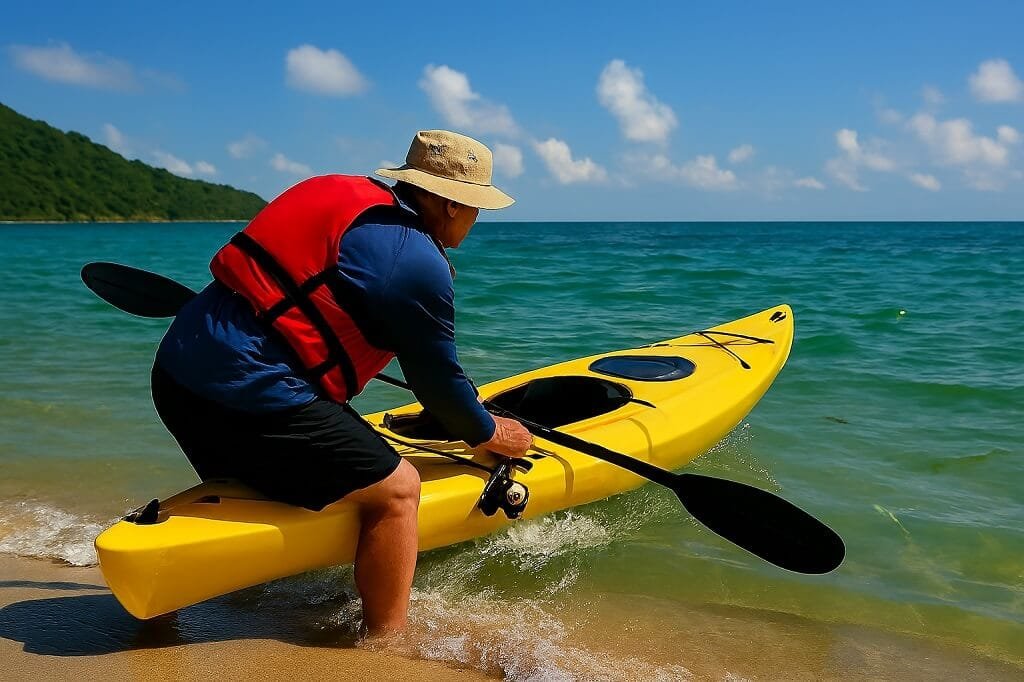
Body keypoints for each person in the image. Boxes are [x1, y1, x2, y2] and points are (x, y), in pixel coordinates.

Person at [150, 130, 533, 635]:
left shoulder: (334, 191)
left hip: (177, 378)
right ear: (448, 204)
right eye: (476, 207)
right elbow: (438, 385)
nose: (476, 218)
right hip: (252, 397)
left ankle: (179, 575)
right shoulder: (417, 263)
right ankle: (387, 643)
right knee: (396, 490)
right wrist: (489, 432)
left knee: (259, 489)